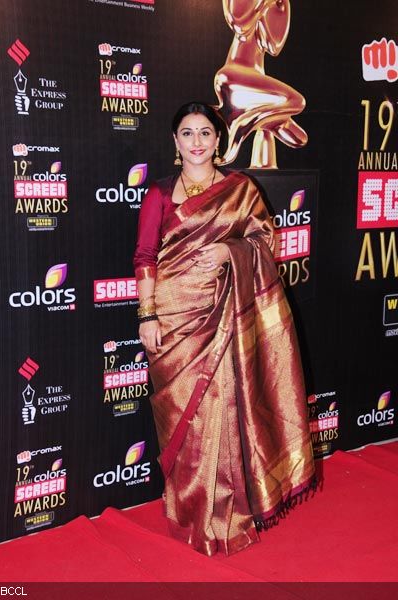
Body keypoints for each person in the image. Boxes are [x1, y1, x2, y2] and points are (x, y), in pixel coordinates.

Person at [133, 101, 316, 557]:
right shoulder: (157, 194)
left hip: (223, 315)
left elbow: (265, 241)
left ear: (219, 141)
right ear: (175, 142)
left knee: (223, 412)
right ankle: (187, 510)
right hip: (173, 325)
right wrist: (147, 315)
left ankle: (227, 517)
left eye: (205, 134)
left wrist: (231, 251)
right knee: (182, 418)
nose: (197, 142)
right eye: (188, 134)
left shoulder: (240, 189)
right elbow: (144, 258)